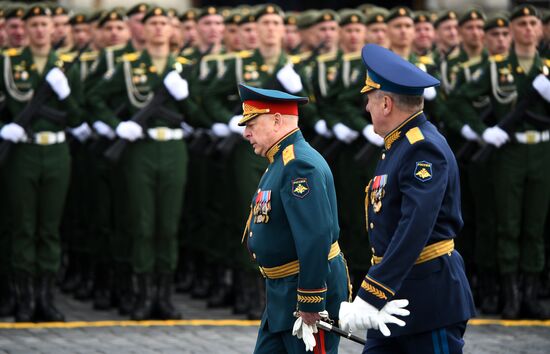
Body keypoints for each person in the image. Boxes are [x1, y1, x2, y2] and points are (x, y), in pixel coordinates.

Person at [238, 83, 407, 353]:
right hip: (283, 291)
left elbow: (315, 237)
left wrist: (311, 301)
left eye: (252, 124)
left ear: (277, 120)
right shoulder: (281, 160)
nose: (246, 133)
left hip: (304, 289)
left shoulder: (298, 165)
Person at [339, 44, 475, 353]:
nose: (366, 108)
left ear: (386, 103)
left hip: (429, 301)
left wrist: (371, 293)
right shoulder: (398, 145)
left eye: (369, 100)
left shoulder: (421, 148)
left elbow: (415, 225)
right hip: (395, 296)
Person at [87, 6, 205, 320]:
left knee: (167, 225)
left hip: (173, 149)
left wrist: (184, 97)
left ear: (171, 29)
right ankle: (142, 294)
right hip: (140, 149)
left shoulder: (183, 69)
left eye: (163, 23)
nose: (157, 28)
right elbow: (95, 98)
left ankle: (163, 297)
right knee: (142, 224)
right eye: (151, 23)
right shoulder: (129, 67)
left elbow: (199, 116)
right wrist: (116, 125)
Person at [452, 4, 550, 320]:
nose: (527, 29)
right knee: (508, 224)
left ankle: (532, 295)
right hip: (509, 152)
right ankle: (511, 295)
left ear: (538, 29)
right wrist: (482, 131)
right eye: (520, 23)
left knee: (535, 226)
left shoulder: (546, 67)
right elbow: (459, 99)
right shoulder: (496, 69)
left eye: (532, 23)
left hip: (543, 151)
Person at [0, 4, 85, 322]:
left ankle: (45, 299)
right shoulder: (8, 63)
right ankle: (24, 298)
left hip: (56, 153)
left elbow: (77, 118)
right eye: (32, 24)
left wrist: (65, 95)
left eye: (44, 25)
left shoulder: (65, 67)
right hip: (23, 152)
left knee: (49, 228)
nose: (38, 30)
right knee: (23, 227)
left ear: (53, 30)